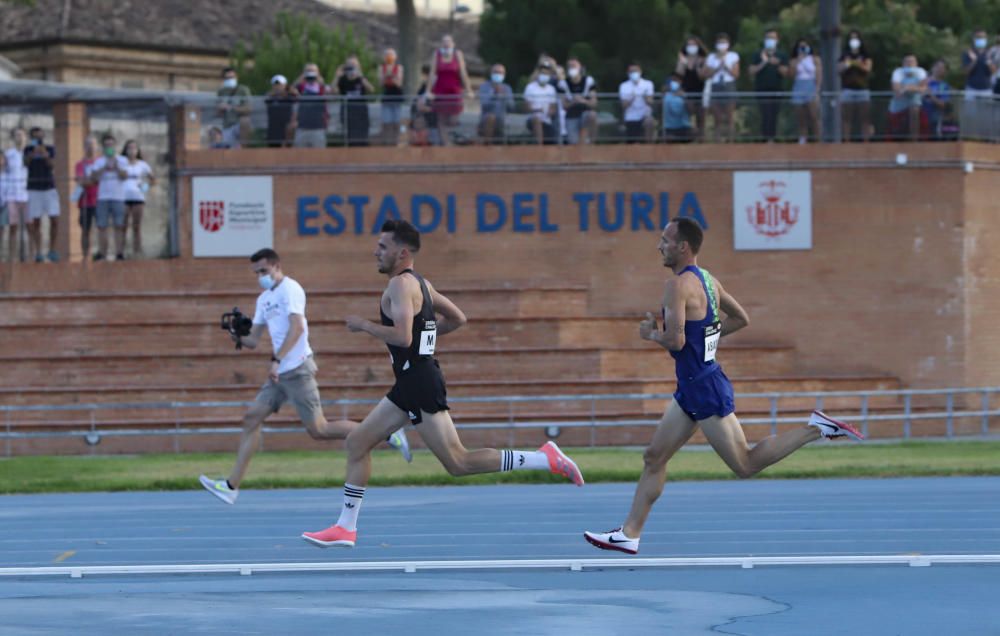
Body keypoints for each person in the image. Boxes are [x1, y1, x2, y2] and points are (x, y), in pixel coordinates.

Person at [583, 218, 863, 555]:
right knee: (654, 457)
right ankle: (630, 533)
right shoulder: (709, 281)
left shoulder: (677, 286)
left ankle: (815, 429)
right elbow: (740, 318)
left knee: (745, 464)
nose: (659, 246)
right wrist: (704, 344)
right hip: (692, 387)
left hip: (703, 388)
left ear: (682, 246)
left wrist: (651, 335)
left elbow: (675, 340)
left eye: (664, 241)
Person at [301, 220, 584, 548]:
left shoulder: (399, 286)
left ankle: (544, 458)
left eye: (382, 247)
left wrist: (365, 325)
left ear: (402, 252)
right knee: (357, 443)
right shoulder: (422, 284)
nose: (376, 252)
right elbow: (458, 319)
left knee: (459, 463)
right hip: (410, 380)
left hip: (419, 383)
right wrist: (423, 343)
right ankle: (345, 527)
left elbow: (403, 335)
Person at [200, 248, 411, 505]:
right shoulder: (263, 300)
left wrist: (277, 360)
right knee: (251, 418)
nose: (260, 277)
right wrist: (237, 335)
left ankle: (387, 433)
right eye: (256, 273)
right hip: (279, 374)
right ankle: (231, 486)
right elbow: (254, 340)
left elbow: (298, 328)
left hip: (298, 369)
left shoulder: (291, 289)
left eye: (264, 271)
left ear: (277, 266)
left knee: (320, 429)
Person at [85, 133, 128, 261]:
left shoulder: (122, 160)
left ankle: (119, 253)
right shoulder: (99, 161)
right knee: (102, 226)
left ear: (115, 146)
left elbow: (124, 176)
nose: (109, 147)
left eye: (111, 145)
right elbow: (93, 178)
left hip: (118, 197)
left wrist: (115, 166)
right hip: (102, 197)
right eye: (106, 145)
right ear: (103, 147)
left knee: (119, 225)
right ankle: (102, 253)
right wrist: (104, 167)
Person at [427, 34, 474, 146]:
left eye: (448, 41)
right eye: (444, 41)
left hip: (454, 91)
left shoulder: (457, 54)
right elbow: (432, 73)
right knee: (441, 119)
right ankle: (446, 143)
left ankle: (452, 139)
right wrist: (428, 91)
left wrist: (469, 89)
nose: (446, 43)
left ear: (453, 43)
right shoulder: (436, 54)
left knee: (453, 119)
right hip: (440, 90)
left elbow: (463, 73)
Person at [25, 127, 59, 262]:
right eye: (35, 137)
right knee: (36, 221)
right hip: (33, 188)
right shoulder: (27, 150)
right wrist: (33, 152)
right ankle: (38, 251)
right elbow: (26, 163)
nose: (38, 139)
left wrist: (44, 153)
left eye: (40, 137)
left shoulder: (50, 148)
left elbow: (52, 165)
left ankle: (52, 249)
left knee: (55, 220)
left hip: (49, 188)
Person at [748, 30, 788, 143]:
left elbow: (786, 73)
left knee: (774, 114)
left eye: (773, 38)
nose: (770, 41)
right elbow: (751, 71)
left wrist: (777, 64)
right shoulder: (757, 54)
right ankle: (765, 138)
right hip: (762, 89)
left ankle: (773, 138)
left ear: (777, 40)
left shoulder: (782, 55)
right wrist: (764, 62)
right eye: (768, 38)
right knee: (765, 114)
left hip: (777, 89)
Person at [703, 33, 740, 142]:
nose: (721, 45)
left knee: (730, 117)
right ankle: (717, 141)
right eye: (719, 43)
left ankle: (731, 140)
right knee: (717, 117)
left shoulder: (733, 56)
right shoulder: (711, 57)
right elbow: (706, 73)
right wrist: (717, 67)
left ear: (728, 44)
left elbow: (736, 74)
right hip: (715, 85)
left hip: (729, 85)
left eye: (723, 43)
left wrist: (726, 66)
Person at [961, 30, 998, 140]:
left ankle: (986, 139)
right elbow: (966, 72)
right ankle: (970, 138)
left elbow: (994, 71)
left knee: (986, 116)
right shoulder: (968, 53)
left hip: (986, 89)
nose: (981, 39)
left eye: (983, 37)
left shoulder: (990, 53)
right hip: (971, 88)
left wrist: (988, 61)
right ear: (974, 38)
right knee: (970, 115)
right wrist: (974, 60)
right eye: (978, 37)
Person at [121, 140, 154, 259]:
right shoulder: (122, 163)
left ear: (137, 150)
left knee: (136, 226)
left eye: (134, 148)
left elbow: (152, 179)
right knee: (123, 225)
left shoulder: (142, 164)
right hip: (124, 197)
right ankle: (121, 251)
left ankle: (137, 251)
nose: (132, 150)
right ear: (126, 150)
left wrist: (145, 187)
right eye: (129, 148)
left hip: (138, 197)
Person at [838, 30, 873, 142]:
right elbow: (839, 69)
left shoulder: (865, 55)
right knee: (847, 117)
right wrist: (848, 64)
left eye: (856, 38)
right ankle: (846, 140)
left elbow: (867, 68)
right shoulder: (844, 56)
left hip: (862, 90)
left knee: (865, 117)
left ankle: (866, 141)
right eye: (851, 38)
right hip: (847, 89)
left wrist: (857, 63)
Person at [333, 55, 375, 147]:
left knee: (362, 139)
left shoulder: (361, 79)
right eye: (350, 64)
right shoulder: (342, 79)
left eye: (354, 65)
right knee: (350, 139)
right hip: (348, 113)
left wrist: (360, 76)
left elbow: (371, 89)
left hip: (361, 114)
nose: (352, 67)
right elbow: (334, 92)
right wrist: (337, 76)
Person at [3, 128, 29, 262]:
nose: (19, 137)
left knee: (29, 226)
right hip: (12, 195)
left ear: (26, 137)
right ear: (13, 138)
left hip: (27, 195)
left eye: (21, 135)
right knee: (13, 227)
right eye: (17, 135)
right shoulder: (9, 154)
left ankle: (29, 256)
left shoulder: (30, 152)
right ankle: (11, 257)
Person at [558, 57, 598, 145]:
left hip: (585, 113)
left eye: (574, 66)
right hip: (571, 116)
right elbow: (564, 105)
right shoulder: (562, 84)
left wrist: (582, 100)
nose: (572, 68)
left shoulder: (589, 81)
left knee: (592, 115)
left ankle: (592, 143)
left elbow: (594, 103)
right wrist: (573, 101)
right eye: (570, 66)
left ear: (580, 67)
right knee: (573, 143)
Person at [790, 37, 822, 144]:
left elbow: (818, 74)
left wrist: (816, 90)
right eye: (801, 47)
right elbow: (792, 74)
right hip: (799, 85)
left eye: (805, 46)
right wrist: (799, 60)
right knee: (801, 116)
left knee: (814, 115)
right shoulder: (794, 60)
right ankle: (803, 138)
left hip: (810, 85)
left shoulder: (815, 59)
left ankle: (818, 139)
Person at [889, 55, 928, 141]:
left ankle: (914, 140)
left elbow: (923, 89)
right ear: (903, 63)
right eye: (907, 61)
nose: (910, 64)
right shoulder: (897, 72)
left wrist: (907, 88)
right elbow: (897, 91)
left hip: (914, 102)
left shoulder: (921, 72)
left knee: (914, 110)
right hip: (898, 105)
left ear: (916, 63)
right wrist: (913, 88)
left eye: (912, 61)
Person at [676, 37, 707, 140]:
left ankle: (701, 138)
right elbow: (678, 75)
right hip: (687, 90)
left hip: (700, 90)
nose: (691, 47)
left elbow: (702, 76)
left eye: (693, 45)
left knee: (701, 116)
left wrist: (696, 66)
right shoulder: (683, 59)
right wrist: (682, 63)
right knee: (689, 110)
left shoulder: (703, 59)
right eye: (689, 45)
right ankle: (690, 136)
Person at [74, 136, 99, 259]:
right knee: (85, 230)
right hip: (85, 202)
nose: (91, 147)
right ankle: (85, 256)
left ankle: (101, 253)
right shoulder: (80, 164)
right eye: (88, 144)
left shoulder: (100, 162)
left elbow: (100, 178)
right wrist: (94, 180)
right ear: (84, 147)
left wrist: (89, 180)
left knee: (102, 228)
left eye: (93, 144)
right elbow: (80, 181)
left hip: (100, 200)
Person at [293, 63, 329, 148]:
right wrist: (302, 78)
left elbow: (331, 93)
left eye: (313, 71)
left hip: (318, 127)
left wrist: (320, 81)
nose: (311, 73)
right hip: (302, 127)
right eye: (308, 71)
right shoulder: (301, 87)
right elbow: (291, 91)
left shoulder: (322, 87)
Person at [478, 63, 515, 144]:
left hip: (501, 120)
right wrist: (494, 94)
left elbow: (511, 107)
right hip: (486, 120)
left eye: (500, 73)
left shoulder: (507, 88)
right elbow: (484, 105)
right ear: (491, 73)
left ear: (504, 75)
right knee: (491, 117)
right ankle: (487, 145)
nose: (498, 75)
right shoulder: (484, 87)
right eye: (496, 72)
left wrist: (505, 97)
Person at [619, 62, 656, 143]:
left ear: (640, 72)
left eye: (636, 71)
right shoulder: (624, 86)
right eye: (631, 71)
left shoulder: (648, 84)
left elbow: (651, 102)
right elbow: (623, 105)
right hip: (630, 117)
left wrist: (645, 97)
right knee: (632, 142)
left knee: (650, 122)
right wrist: (631, 98)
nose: (634, 73)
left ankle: (650, 147)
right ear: (628, 73)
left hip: (645, 116)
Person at [215, 67, 252, 149]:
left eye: (232, 77)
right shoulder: (221, 92)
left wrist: (232, 107)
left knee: (245, 122)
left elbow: (248, 108)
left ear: (236, 77)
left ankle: (243, 148)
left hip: (239, 124)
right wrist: (221, 108)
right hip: (227, 125)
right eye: (227, 78)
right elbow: (218, 113)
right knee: (227, 147)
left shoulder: (243, 90)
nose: (230, 80)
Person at [524, 63, 559, 144]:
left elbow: (553, 108)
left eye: (546, 74)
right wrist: (537, 110)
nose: (544, 75)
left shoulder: (551, 89)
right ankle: (539, 148)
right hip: (532, 119)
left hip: (547, 120)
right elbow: (526, 107)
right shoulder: (530, 87)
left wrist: (550, 112)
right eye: (542, 73)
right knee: (537, 120)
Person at [378, 48, 405, 146]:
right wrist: (386, 76)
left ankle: (396, 141)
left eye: (391, 55)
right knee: (386, 121)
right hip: (386, 95)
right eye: (387, 55)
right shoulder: (382, 68)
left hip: (396, 95)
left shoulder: (399, 67)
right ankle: (386, 141)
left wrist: (392, 76)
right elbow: (381, 83)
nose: (389, 57)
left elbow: (399, 83)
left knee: (396, 121)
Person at [923, 59, 954, 140]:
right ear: (932, 68)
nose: (939, 69)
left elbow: (943, 104)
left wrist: (931, 95)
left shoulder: (944, 86)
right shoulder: (922, 82)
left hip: (934, 118)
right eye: (938, 66)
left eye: (942, 68)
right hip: (920, 116)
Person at [265, 75, 297, 148]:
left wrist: (291, 91)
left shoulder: (290, 97)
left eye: (280, 85)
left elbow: (298, 98)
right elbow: (266, 98)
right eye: (275, 85)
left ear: (285, 85)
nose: (278, 87)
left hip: (287, 132)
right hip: (273, 131)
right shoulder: (270, 97)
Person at [661, 74, 693, 142]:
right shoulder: (665, 95)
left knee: (695, 133)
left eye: (676, 80)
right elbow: (659, 110)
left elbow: (691, 111)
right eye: (672, 81)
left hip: (683, 126)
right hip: (669, 127)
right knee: (669, 138)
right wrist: (662, 95)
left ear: (680, 82)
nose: (674, 82)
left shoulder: (684, 94)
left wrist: (684, 97)